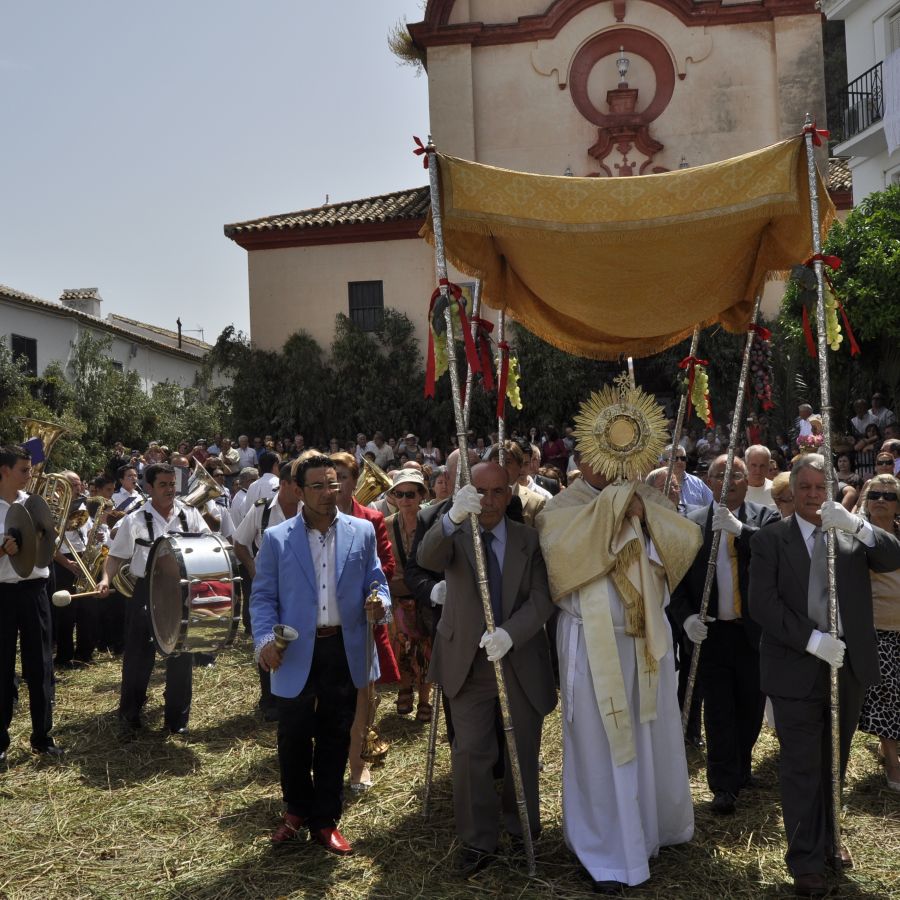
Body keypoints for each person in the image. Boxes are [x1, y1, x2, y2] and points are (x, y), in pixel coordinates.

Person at [536, 440, 701, 893]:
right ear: (582, 460)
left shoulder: (644, 498)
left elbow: (682, 544)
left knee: (648, 732)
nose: (611, 466)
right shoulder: (560, 507)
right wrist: (615, 509)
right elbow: (565, 559)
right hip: (591, 643)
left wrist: (646, 521)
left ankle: (650, 830)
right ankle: (604, 849)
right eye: (599, 456)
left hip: (642, 639)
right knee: (599, 741)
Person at [748, 454, 900, 896]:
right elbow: (764, 605)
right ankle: (805, 859)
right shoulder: (771, 540)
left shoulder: (849, 538)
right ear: (792, 490)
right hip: (796, 667)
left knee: (835, 760)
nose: (814, 495)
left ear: (832, 490)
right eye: (806, 487)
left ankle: (831, 837)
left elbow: (892, 558)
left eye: (821, 487)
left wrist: (859, 526)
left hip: (846, 670)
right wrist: (812, 640)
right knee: (800, 766)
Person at [417, 461, 556, 876]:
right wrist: (451, 517)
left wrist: (512, 633)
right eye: (481, 492)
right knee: (471, 751)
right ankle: (478, 840)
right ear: (467, 492)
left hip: (518, 657)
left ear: (509, 495)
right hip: (469, 662)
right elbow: (426, 557)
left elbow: (542, 598)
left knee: (521, 751)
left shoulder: (528, 539)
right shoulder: (456, 533)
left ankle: (522, 828)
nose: (489, 501)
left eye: (498, 492)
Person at [251, 454, 390, 855]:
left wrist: (379, 602)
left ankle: (326, 820)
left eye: (334, 484)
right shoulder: (278, 539)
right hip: (294, 650)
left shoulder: (362, 531)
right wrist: (264, 642)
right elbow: (262, 598)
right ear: (297, 490)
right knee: (293, 735)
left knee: (334, 735)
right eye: (319, 486)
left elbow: (376, 580)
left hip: (342, 648)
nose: (330, 493)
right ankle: (296, 810)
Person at [670, 456, 779, 814]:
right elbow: (676, 581)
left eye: (735, 474)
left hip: (753, 633)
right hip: (711, 634)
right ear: (708, 482)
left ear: (748, 481)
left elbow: (776, 554)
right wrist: (686, 619)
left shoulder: (765, 519)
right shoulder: (691, 523)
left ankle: (741, 767)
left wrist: (739, 531)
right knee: (718, 710)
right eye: (719, 475)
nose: (728, 480)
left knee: (749, 708)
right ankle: (723, 784)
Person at [98, 463, 210, 734]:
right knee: (138, 656)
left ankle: (177, 720)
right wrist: (105, 579)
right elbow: (115, 557)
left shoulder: (190, 514)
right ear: (149, 488)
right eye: (163, 484)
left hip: (181, 591)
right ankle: (130, 715)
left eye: (172, 484)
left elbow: (209, 545)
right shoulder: (134, 519)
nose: (170, 489)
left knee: (182, 654)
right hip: (145, 592)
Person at [329, 451, 399, 792]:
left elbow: (386, 566)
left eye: (343, 476)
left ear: (355, 481)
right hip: (324, 625)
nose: (336, 483)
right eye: (332, 475)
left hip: (362, 621)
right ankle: (330, 760)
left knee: (363, 695)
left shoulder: (371, 518)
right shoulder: (312, 518)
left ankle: (358, 765)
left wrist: (366, 592)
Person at [0, 444, 62, 760]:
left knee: (40, 665)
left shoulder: (34, 504)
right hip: (3, 594)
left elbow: (48, 545)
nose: (30, 474)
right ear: (4, 471)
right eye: (24, 470)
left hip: (35, 590)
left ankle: (42, 736)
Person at [233, 462, 299, 720]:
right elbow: (239, 543)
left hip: (299, 586)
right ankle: (269, 699)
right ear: (283, 485)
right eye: (298, 485)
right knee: (268, 636)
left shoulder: (311, 510)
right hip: (268, 584)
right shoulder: (261, 510)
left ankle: (293, 693)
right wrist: (254, 571)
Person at [855, 475, 900, 793]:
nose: (881, 499)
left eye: (889, 495)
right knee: (887, 697)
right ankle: (894, 764)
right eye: (875, 494)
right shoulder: (855, 539)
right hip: (878, 630)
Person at [383, 469, 432, 721]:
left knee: (425, 648)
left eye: (410, 493)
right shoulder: (387, 525)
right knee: (401, 646)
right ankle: (404, 689)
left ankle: (425, 699)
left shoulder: (430, 521)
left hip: (425, 597)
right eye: (399, 494)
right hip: (399, 595)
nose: (405, 499)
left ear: (421, 494)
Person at [660, 444, 713, 508]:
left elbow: (712, 505)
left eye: (683, 458)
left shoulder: (697, 483)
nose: (680, 461)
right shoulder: (657, 484)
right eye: (674, 458)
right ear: (663, 463)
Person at [744, 445, 777, 509]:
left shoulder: (776, 490)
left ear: (768, 466)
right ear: (746, 464)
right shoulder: (737, 491)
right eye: (754, 465)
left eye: (762, 466)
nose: (758, 470)